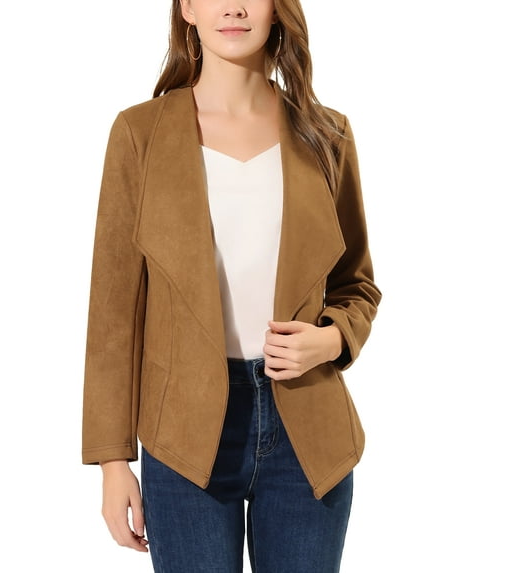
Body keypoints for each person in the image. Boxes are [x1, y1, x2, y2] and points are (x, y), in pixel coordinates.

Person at [82, 1, 381, 571]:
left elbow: (357, 284)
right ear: (188, 8)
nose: (235, 7)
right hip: (183, 432)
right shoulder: (140, 134)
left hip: (308, 433)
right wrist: (112, 461)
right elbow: (114, 312)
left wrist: (331, 339)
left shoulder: (327, 134)